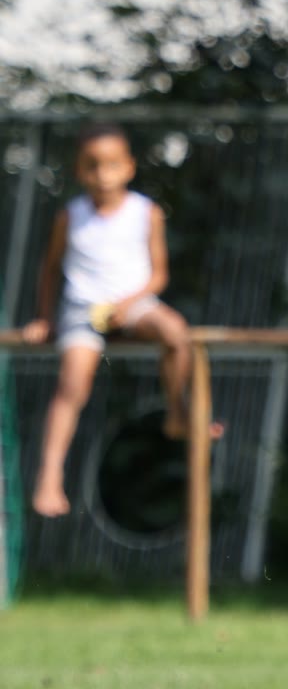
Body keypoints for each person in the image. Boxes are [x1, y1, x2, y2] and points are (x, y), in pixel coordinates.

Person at [22, 124, 203, 517]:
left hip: (136, 304)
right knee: (72, 382)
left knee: (175, 332)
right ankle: (49, 476)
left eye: (112, 165)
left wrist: (129, 303)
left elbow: (159, 274)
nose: (103, 174)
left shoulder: (146, 213)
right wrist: (44, 318)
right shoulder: (70, 216)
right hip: (83, 309)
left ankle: (177, 413)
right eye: (93, 166)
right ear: (79, 170)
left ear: (129, 167)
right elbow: (49, 269)